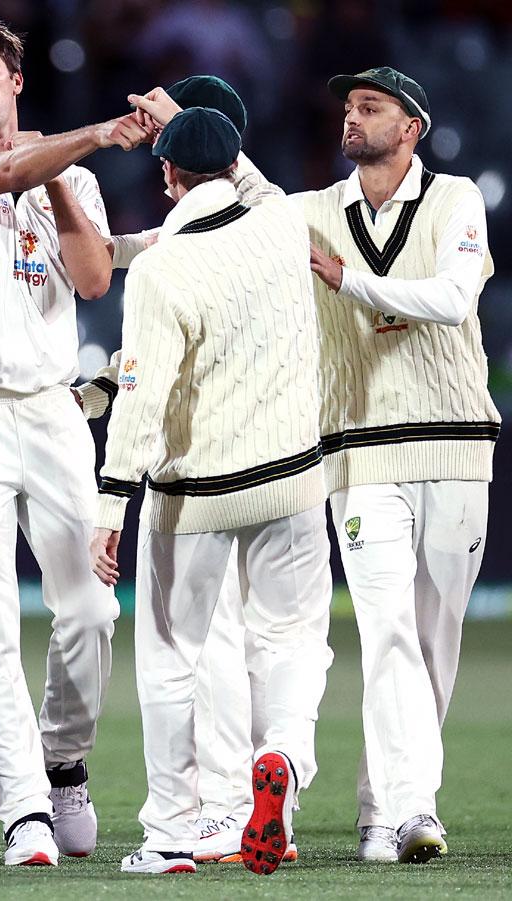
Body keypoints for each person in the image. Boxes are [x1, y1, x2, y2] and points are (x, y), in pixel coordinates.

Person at [0, 6, 149, 866]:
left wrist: (60, 170)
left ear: (15, 79)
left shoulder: (68, 178)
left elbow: (89, 278)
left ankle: (64, 763)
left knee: (89, 605)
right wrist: (90, 136)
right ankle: (22, 813)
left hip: (51, 412)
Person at [89, 107, 330, 876]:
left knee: (170, 657)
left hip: (198, 491)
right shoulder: (282, 222)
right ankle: (283, 760)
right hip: (293, 480)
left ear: (167, 177)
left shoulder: (163, 266)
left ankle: (169, 832)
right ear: (233, 164)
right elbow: (253, 181)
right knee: (292, 641)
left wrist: (110, 505)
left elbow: (142, 397)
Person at [304, 67, 497, 864]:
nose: (352, 117)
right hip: (362, 449)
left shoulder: (455, 199)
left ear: (410, 126)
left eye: (371, 107)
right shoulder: (313, 212)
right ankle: (410, 808)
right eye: (348, 106)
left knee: (433, 641)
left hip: (454, 442)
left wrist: (351, 281)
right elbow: (228, 206)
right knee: (386, 631)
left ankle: (383, 802)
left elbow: (453, 297)